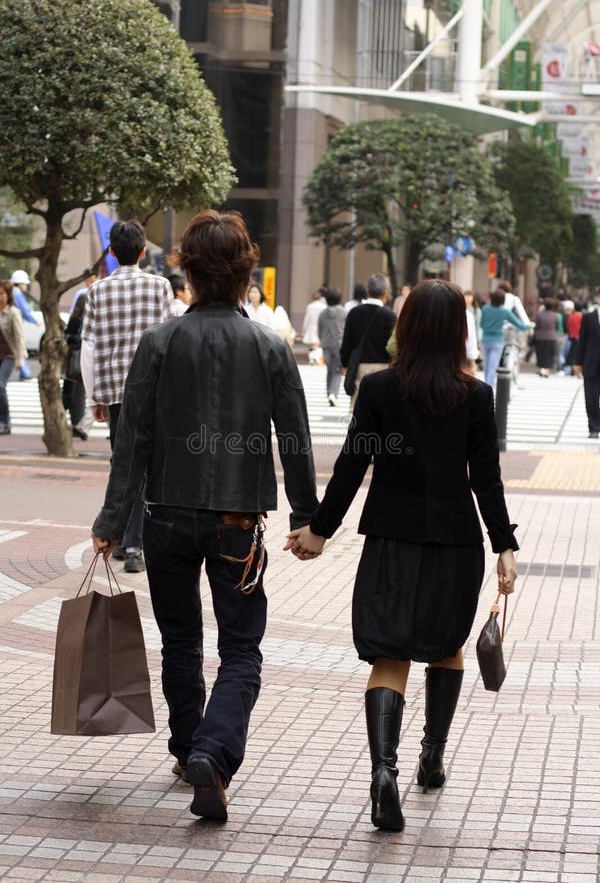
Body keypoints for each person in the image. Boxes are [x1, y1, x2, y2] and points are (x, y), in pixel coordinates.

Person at [91, 209, 318, 820]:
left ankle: (191, 745)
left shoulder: (159, 343)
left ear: (186, 270)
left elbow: (132, 444)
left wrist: (112, 523)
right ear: (246, 272)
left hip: (165, 513)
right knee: (242, 647)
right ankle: (213, 756)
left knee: (181, 641)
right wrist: (308, 518)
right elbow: (293, 439)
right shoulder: (270, 347)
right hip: (237, 523)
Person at [285, 280, 519, 832]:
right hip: (455, 544)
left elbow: (351, 466)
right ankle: (431, 758)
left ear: (405, 326)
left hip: (390, 539)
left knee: (389, 657)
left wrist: (320, 530)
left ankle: (383, 772)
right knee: (446, 649)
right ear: (459, 333)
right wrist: (504, 546)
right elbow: (486, 480)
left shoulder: (380, 389)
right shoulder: (477, 396)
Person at [81, 219, 176, 573]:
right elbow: (171, 338)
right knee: (152, 467)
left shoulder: (97, 291)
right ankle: (136, 544)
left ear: (111, 252)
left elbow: (88, 348)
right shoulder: (160, 286)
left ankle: (124, 538)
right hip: (154, 391)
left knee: (124, 465)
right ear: (142, 251)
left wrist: (95, 398)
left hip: (117, 396)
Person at [340, 273, 396, 407]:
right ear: (385, 293)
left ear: (367, 291)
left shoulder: (354, 313)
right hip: (384, 367)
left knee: (358, 406)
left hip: (360, 367)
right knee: (382, 406)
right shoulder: (390, 315)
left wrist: (344, 363)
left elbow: (347, 341)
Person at [480, 289, 531, 387]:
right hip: (497, 341)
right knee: (493, 366)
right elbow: (518, 324)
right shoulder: (504, 311)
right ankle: (489, 387)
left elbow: (482, 324)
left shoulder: (485, 308)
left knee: (486, 366)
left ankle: (486, 386)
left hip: (485, 340)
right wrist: (529, 326)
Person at [62, 293, 94, 441]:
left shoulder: (74, 319)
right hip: (85, 360)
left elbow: (67, 337)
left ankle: (80, 425)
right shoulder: (88, 320)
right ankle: (81, 426)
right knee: (98, 397)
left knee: (72, 393)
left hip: (73, 362)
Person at [0, 280, 26, 434]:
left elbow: (19, 336)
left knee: (0, 386)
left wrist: (20, 359)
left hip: (9, 354)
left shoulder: (13, 312)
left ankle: (5, 422)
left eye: (2, 294)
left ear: (8, 295)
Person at [573, 289, 600, 438]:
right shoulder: (589, 317)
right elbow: (582, 341)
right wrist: (578, 362)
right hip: (591, 363)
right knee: (591, 398)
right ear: (597, 298)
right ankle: (594, 428)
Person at [9, 269, 41, 380]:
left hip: (8, 324)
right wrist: (35, 321)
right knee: (19, 346)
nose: (26, 286)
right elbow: (25, 311)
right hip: (15, 324)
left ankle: (24, 371)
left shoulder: (11, 291)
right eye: (25, 283)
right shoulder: (17, 294)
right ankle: (25, 372)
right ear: (20, 283)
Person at [317, 287, 346, 406]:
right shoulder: (343, 312)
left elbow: (319, 329)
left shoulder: (323, 313)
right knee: (337, 370)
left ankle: (329, 392)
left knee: (329, 370)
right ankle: (333, 393)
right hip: (339, 344)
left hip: (326, 345)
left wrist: (322, 340)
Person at [534, 298, 562, 378]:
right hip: (552, 337)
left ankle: (542, 369)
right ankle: (547, 370)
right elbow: (557, 327)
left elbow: (537, 326)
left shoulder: (539, 314)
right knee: (549, 355)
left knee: (541, 354)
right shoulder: (555, 315)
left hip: (540, 337)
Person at [302, 290, 326, 364]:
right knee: (318, 344)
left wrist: (304, 328)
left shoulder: (310, 306)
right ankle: (315, 357)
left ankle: (312, 358)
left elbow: (307, 318)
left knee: (311, 345)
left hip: (311, 326)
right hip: (320, 327)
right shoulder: (323, 306)